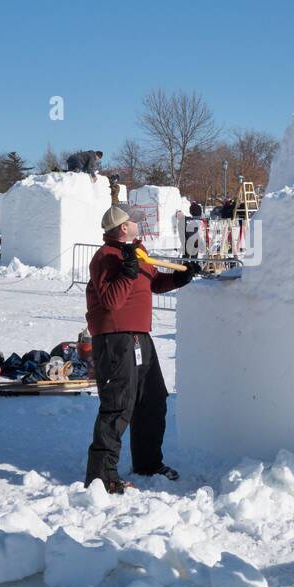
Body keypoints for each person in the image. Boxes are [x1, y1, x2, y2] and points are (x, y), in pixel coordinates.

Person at [85, 205, 200, 493]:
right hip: (115, 338)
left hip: (140, 337)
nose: (138, 222)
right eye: (133, 219)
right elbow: (111, 301)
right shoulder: (106, 257)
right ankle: (101, 475)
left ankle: (148, 462)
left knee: (152, 400)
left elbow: (154, 282)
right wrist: (126, 272)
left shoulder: (137, 253)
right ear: (123, 227)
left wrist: (180, 277)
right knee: (118, 404)